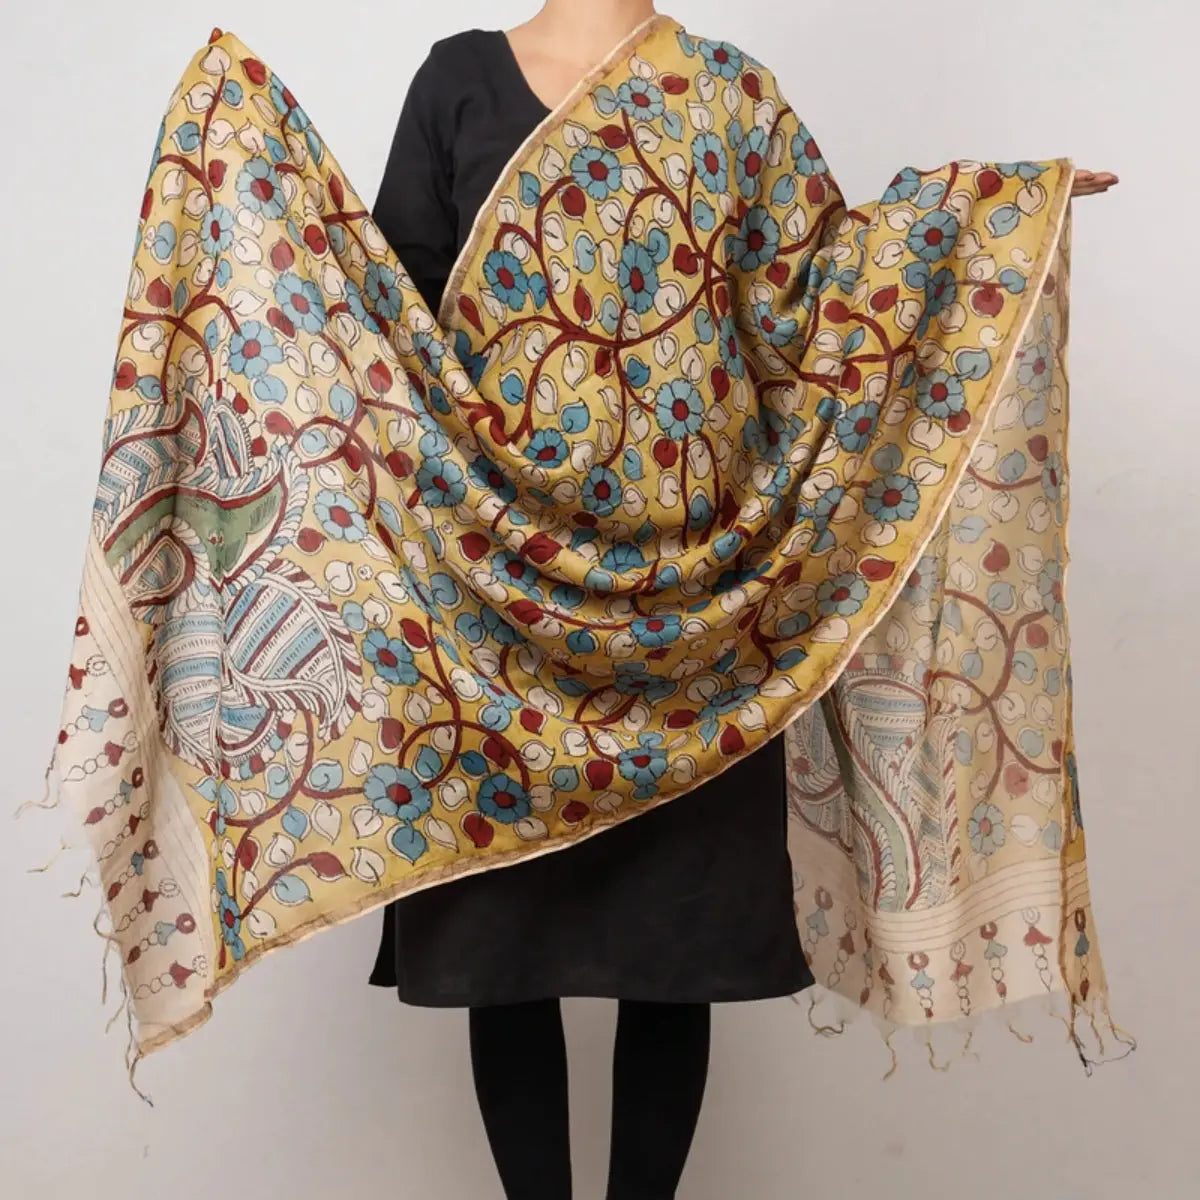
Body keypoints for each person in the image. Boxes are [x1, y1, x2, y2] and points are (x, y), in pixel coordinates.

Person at [366, 4, 1118, 1196]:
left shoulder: (728, 94)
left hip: (699, 617)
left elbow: (824, 297)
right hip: (500, 611)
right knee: (503, 954)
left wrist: (993, 216)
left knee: (680, 952)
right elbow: (385, 327)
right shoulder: (457, 81)